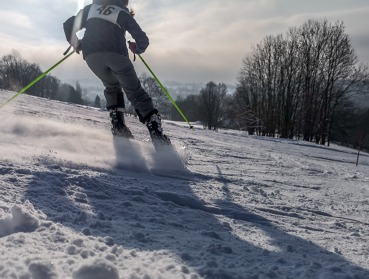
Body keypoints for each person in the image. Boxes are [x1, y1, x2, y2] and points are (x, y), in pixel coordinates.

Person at [63, 0, 170, 146]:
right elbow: (143, 40)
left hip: (92, 57)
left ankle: (118, 126)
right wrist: (136, 48)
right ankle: (156, 133)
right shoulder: (122, 12)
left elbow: (68, 25)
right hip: (116, 55)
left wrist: (77, 44)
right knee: (135, 93)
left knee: (112, 87)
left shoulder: (90, 9)